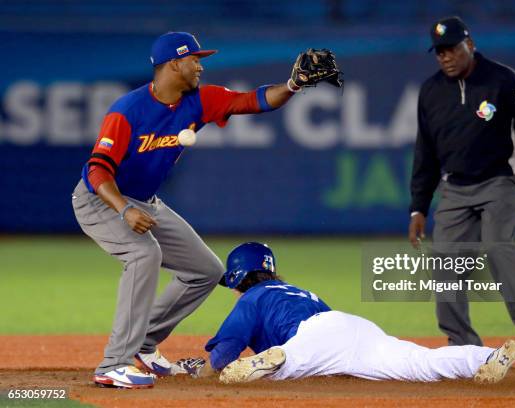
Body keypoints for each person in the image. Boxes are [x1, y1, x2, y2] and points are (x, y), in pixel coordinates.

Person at [72, 32, 339, 389]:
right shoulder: (127, 110)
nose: (200, 65)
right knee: (142, 254)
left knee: (206, 270)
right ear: (173, 64)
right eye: (194, 59)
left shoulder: (200, 100)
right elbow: (98, 170)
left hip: (146, 201)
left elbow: (255, 100)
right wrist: (123, 211)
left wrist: (292, 84)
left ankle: (145, 342)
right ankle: (113, 363)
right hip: (101, 199)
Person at [408, 17, 515, 358]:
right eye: (440, 52)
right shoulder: (430, 91)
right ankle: (461, 344)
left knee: (496, 246)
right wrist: (418, 207)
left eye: (452, 49)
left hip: (502, 179)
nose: (446, 57)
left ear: (470, 45)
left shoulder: (502, 80)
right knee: (445, 262)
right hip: (456, 188)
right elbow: (426, 154)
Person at [175, 242, 515, 385]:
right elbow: (331, 342)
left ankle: (277, 360)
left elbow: (222, 356)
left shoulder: (250, 299)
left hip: (312, 340)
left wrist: (198, 372)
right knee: (422, 362)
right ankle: (486, 356)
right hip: (353, 329)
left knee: (282, 367)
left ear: (237, 276)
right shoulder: (298, 292)